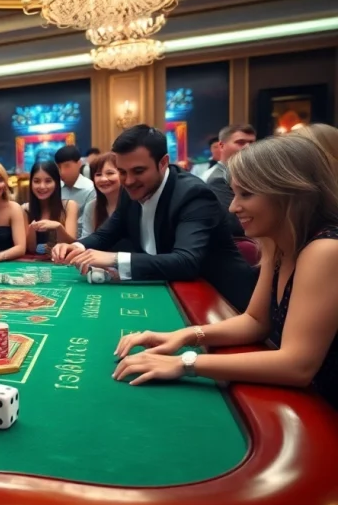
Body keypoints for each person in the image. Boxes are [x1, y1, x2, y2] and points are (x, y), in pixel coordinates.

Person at [111, 135, 338, 410]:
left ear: (288, 193)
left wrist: (185, 362)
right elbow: (255, 321)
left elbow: (297, 365)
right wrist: (184, 336)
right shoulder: (277, 243)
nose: (232, 207)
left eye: (246, 194)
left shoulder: (325, 250)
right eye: (234, 193)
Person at [52, 124, 256, 311]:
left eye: (138, 171)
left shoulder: (193, 195)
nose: (129, 181)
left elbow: (186, 262)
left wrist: (114, 259)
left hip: (220, 301)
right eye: (122, 172)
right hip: (169, 292)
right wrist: (77, 247)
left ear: (163, 163)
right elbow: (109, 232)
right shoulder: (129, 189)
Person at [206, 124, 257, 237]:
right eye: (240, 142)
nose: (247, 147)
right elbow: (235, 225)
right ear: (221, 145)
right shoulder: (216, 179)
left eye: (252, 142)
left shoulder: (253, 174)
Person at [22, 160, 78, 255]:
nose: (42, 186)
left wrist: (58, 227)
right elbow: (30, 249)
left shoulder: (69, 206)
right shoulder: (24, 209)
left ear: (56, 183)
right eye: (36, 181)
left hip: (62, 263)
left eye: (48, 181)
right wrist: (31, 229)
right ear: (31, 183)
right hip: (32, 264)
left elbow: (70, 244)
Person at [54, 145, 95, 234]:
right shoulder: (56, 187)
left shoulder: (90, 189)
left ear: (79, 164)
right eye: (59, 167)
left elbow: (88, 228)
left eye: (67, 166)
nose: (62, 172)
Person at [79, 152, 121, 239]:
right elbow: (86, 238)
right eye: (98, 174)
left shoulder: (134, 204)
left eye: (110, 173)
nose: (103, 179)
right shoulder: (92, 206)